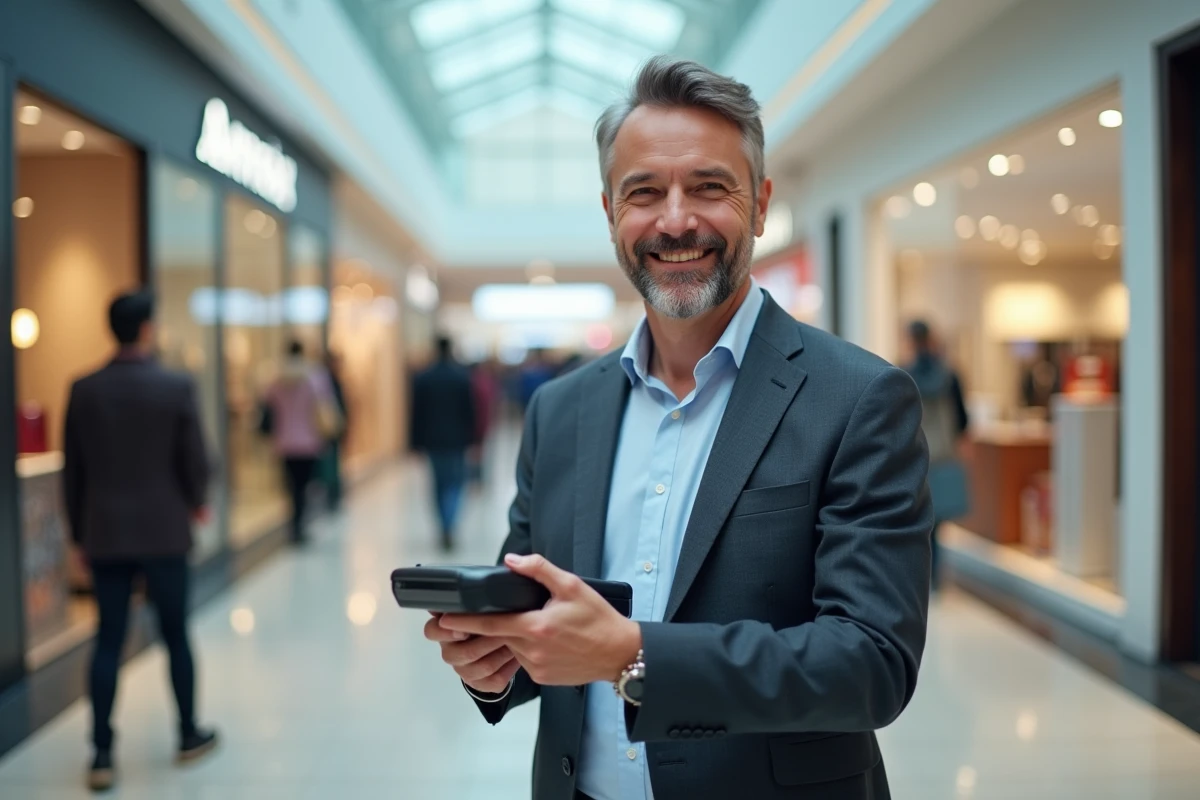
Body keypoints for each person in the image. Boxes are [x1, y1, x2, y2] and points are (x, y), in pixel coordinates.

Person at [424, 57, 932, 800]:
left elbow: (872, 663)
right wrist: (496, 664)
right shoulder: (559, 412)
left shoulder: (857, 398)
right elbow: (539, 617)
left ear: (759, 205)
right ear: (609, 214)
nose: (674, 219)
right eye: (644, 192)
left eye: (708, 186)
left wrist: (634, 655)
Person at [63, 291, 218, 792]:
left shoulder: (84, 389)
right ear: (148, 328)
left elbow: (74, 471)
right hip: (165, 530)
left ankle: (102, 753)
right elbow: (194, 457)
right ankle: (188, 733)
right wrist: (197, 499)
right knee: (175, 634)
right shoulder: (174, 385)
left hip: (106, 532)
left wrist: (78, 533)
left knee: (108, 639)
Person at [903, 320, 971, 591]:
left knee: (917, 519)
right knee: (938, 521)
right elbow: (963, 419)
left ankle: (919, 577)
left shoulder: (904, 373)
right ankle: (936, 579)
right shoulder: (949, 375)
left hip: (914, 454)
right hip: (942, 453)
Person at [264, 340, 341, 546]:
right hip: (308, 442)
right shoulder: (315, 376)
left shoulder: (276, 378)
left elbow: (266, 403)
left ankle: (294, 525)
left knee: (291, 487)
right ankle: (299, 525)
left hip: (284, 442)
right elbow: (325, 404)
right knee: (304, 485)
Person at [410, 336, 477, 551]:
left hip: (432, 441)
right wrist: (473, 439)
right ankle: (450, 524)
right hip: (457, 440)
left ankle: (443, 525)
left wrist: (414, 442)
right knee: (455, 484)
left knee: (438, 485)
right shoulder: (461, 377)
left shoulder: (424, 378)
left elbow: (416, 413)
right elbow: (469, 412)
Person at [320, 351, 349, 511]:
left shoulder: (335, 381)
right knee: (329, 465)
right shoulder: (324, 382)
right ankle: (331, 496)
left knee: (334, 464)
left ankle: (334, 495)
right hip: (327, 430)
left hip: (334, 429)